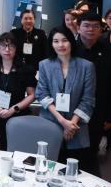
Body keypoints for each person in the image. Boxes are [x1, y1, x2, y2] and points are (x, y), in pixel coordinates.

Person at [36, 26, 96, 171]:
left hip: (76, 128)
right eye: (56, 41)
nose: (60, 45)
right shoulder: (44, 65)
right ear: (51, 44)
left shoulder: (86, 66)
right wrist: (63, 121)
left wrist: (71, 125)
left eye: (64, 40)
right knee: (48, 169)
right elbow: (42, 94)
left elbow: (88, 99)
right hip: (50, 122)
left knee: (72, 171)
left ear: (71, 42)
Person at [76, 11, 111, 167]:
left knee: (89, 155)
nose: (91, 29)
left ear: (101, 29)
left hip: (97, 112)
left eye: (95, 26)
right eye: (86, 25)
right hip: (71, 111)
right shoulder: (70, 49)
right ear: (78, 28)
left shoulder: (110, 52)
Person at [0, 33, 37, 150]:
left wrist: (13, 109)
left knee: (14, 150)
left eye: (11, 46)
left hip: (17, 117)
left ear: (16, 49)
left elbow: (32, 94)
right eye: (3, 45)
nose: (7, 49)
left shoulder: (25, 70)